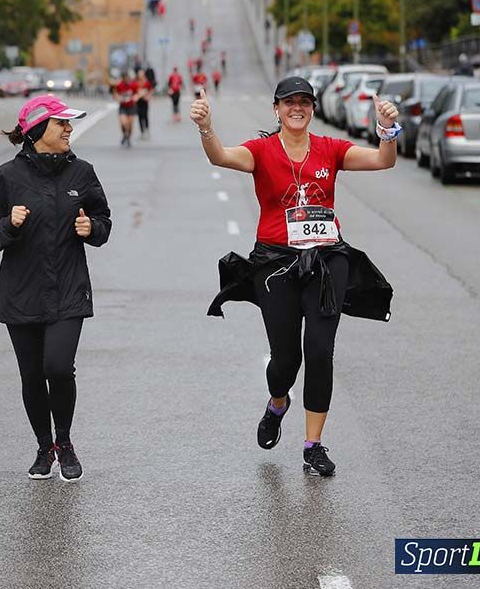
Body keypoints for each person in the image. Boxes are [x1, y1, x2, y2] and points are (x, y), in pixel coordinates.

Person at [190, 78, 398, 477]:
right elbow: (220, 157)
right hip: (276, 264)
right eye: (289, 103)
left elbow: (382, 161)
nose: (296, 108)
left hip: (326, 260)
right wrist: (206, 127)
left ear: (313, 108)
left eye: (304, 102)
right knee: (287, 358)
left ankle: (312, 445)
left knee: (320, 351)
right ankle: (278, 402)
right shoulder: (262, 151)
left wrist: (387, 130)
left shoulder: (331, 149)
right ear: (277, 109)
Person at [0, 95, 112, 483]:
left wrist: (93, 229)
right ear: (37, 132)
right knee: (32, 375)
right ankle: (43, 446)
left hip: (69, 290)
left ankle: (64, 442)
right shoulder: (7, 177)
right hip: (21, 293)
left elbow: (103, 220)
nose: (69, 130)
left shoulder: (82, 173)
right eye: (61, 124)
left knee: (57, 366)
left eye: (69, 124)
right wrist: (9, 225)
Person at [112, 70, 138, 147]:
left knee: (130, 125)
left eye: (128, 78)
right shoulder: (119, 85)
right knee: (124, 123)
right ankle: (124, 135)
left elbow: (137, 93)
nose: (127, 79)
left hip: (131, 107)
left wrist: (136, 97)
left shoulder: (133, 85)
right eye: (125, 78)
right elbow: (115, 94)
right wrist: (118, 98)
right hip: (123, 107)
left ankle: (128, 138)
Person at [135, 68, 152, 139]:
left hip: (145, 101)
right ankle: (142, 131)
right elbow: (134, 90)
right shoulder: (136, 82)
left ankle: (147, 130)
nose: (140, 75)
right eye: (139, 74)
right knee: (139, 116)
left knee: (145, 115)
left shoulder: (147, 82)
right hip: (138, 102)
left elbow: (150, 90)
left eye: (141, 74)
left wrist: (148, 96)